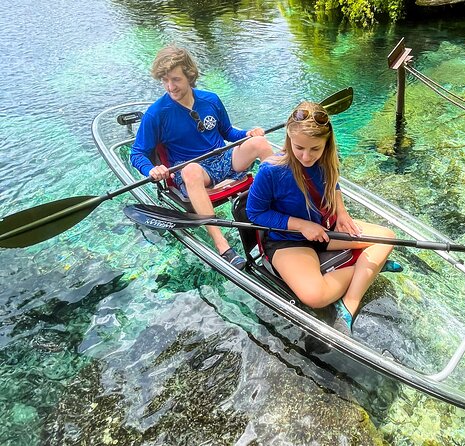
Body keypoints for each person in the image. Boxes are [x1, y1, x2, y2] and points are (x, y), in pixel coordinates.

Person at [246, 101, 397, 335]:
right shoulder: (270, 170)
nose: (306, 156)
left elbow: (333, 184)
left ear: (326, 144)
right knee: (315, 297)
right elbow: (255, 212)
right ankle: (367, 270)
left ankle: (349, 304)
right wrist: (301, 225)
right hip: (288, 240)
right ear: (288, 139)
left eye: (315, 149)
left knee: (388, 238)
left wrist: (342, 212)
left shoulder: (327, 160)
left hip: (324, 230)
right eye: (299, 148)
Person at [130, 45, 273, 269]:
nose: (170, 87)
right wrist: (151, 169)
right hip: (193, 170)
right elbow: (137, 153)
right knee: (191, 171)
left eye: (175, 79)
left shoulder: (211, 100)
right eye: (164, 80)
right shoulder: (156, 114)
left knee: (260, 143)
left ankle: (279, 207)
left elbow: (228, 133)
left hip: (223, 159)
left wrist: (247, 134)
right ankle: (223, 245)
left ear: (189, 75)